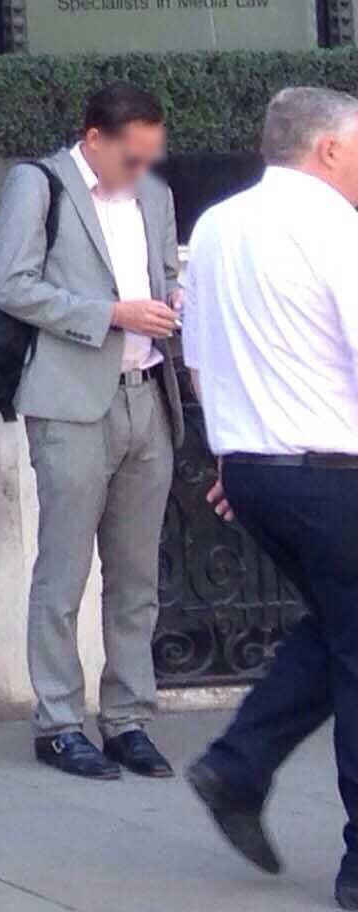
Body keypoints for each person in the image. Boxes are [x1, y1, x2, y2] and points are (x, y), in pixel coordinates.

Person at [181, 85, 358, 908]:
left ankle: (239, 766)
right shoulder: (334, 226)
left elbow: (201, 350)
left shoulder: (217, 224)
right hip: (331, 469)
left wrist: (234, 453)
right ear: (326, 150)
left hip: (255, 467)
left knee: (338, 629)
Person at [0, 80, 183, 781]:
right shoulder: (39, 186)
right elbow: (12, 285)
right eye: (132, 158)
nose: (143, 172)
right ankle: (59, 721)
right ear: (94, 141)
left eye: (151, 158)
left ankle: (129, 718)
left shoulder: (155, 197)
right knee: (64, 570)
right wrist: (110, 314)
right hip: (72, 402)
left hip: (147, 397)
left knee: (136, 576)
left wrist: (172, 300)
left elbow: (163, 275)